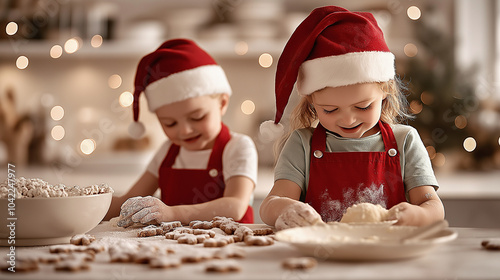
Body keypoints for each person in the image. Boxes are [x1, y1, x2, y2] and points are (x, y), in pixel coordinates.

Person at [259, 6, 444, 229]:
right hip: (320, 256)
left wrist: (417, 215)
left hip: (388, 255)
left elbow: (433, 207)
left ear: (385, 91)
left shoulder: (405, 141)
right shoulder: (302, 144)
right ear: (311, 102)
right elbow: (270, 205)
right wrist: (285, 209)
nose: (348, 120)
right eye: (330, 110)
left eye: (363, 107)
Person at [105, 39, 257, 226]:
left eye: (197, 117)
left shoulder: (237, 147)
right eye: (170, 123)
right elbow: (127, 201)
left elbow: (235, 206)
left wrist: (172, 213)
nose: (184, 130)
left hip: (228, 247)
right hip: (174, 250)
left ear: (222, 103)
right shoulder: (167, 152)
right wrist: (81, 206)